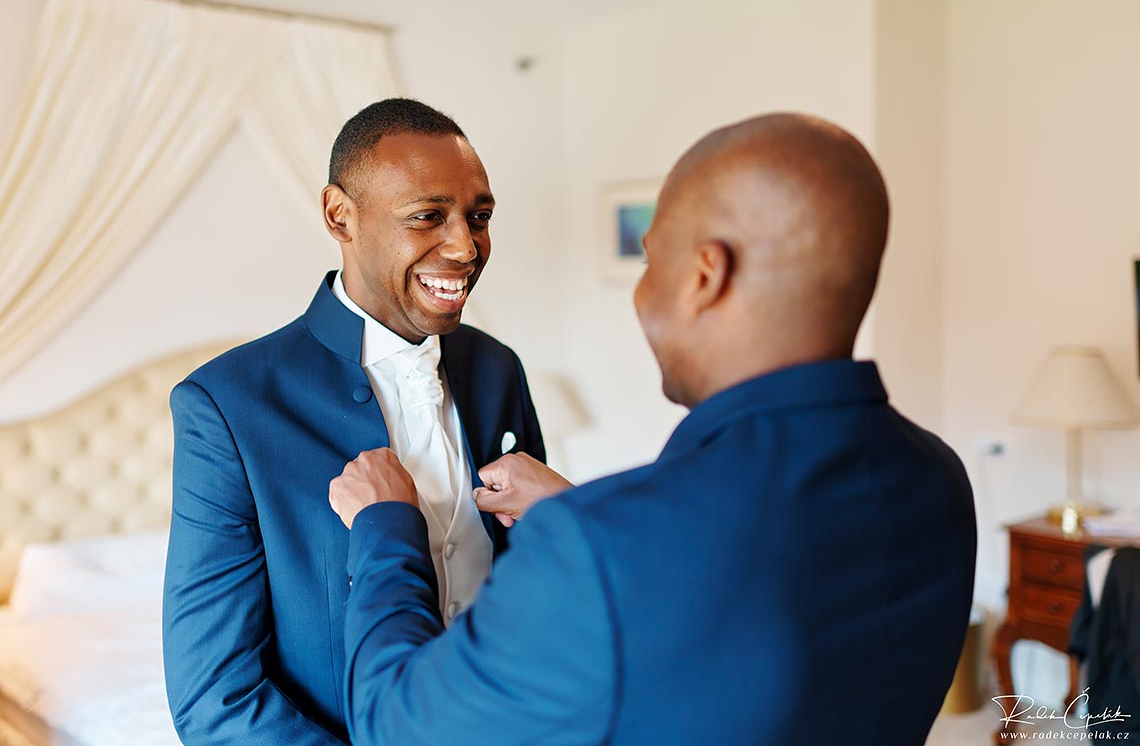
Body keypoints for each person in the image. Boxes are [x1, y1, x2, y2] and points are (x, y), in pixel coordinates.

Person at [329, 112, 978, 745]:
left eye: (650, 262)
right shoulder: (937, 476)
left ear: (704, 276)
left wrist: (386, 528)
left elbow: (397, 725)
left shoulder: (604, 546)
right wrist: (584, 515)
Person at [162, 98, 545, 745]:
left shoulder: (497, 367)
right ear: (340, 215)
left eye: (478, 217)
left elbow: (532, 579)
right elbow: (214, 699)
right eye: (428, 216)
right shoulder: (229, 404)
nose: (466, 246)